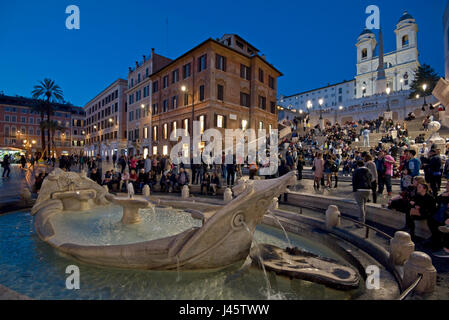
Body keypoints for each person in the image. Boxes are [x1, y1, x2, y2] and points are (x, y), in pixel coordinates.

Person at [352, 160, 373, 225]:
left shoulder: (357, 171)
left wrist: (354, 190)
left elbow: (354, 181)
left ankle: (361, 222)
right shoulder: (369, 171)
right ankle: (362, 219)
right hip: (368, 189)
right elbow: (371, 179)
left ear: (358, 165)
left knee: (360, 206)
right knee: (364, 205)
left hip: (360, 189)